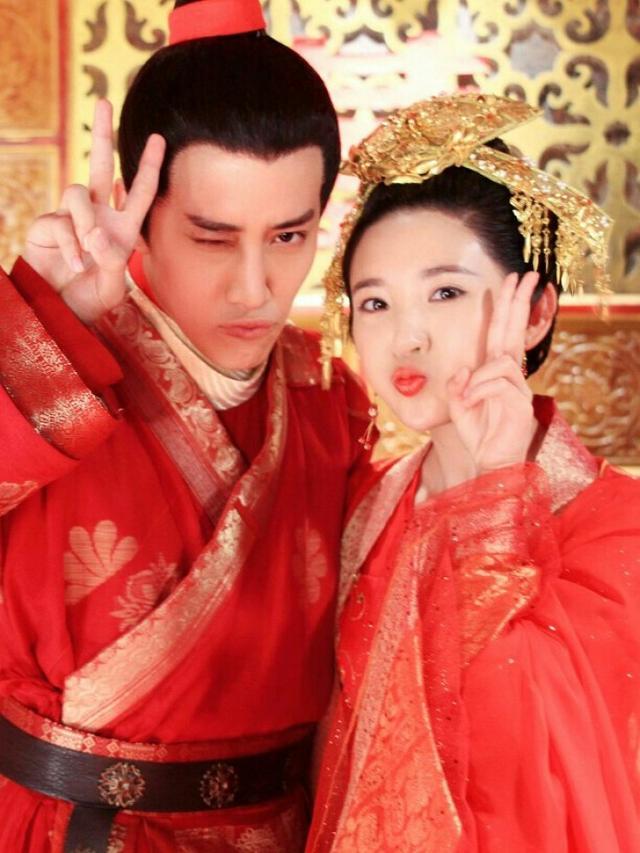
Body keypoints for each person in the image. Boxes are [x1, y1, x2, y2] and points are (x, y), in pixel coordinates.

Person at [0, 1, 373, 850]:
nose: (256, 287)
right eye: (212, 237)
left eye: (291, 235)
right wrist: (45, 330)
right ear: (138, 212)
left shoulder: (330, 399)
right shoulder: (48, 351)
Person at [306, 92, 640, 852]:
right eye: (375, 303)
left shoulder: (617, 526)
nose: (406, 337)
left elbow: (522, 759)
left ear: (536, 311)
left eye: (446, 292)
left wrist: (496, 491)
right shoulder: (367, 505)